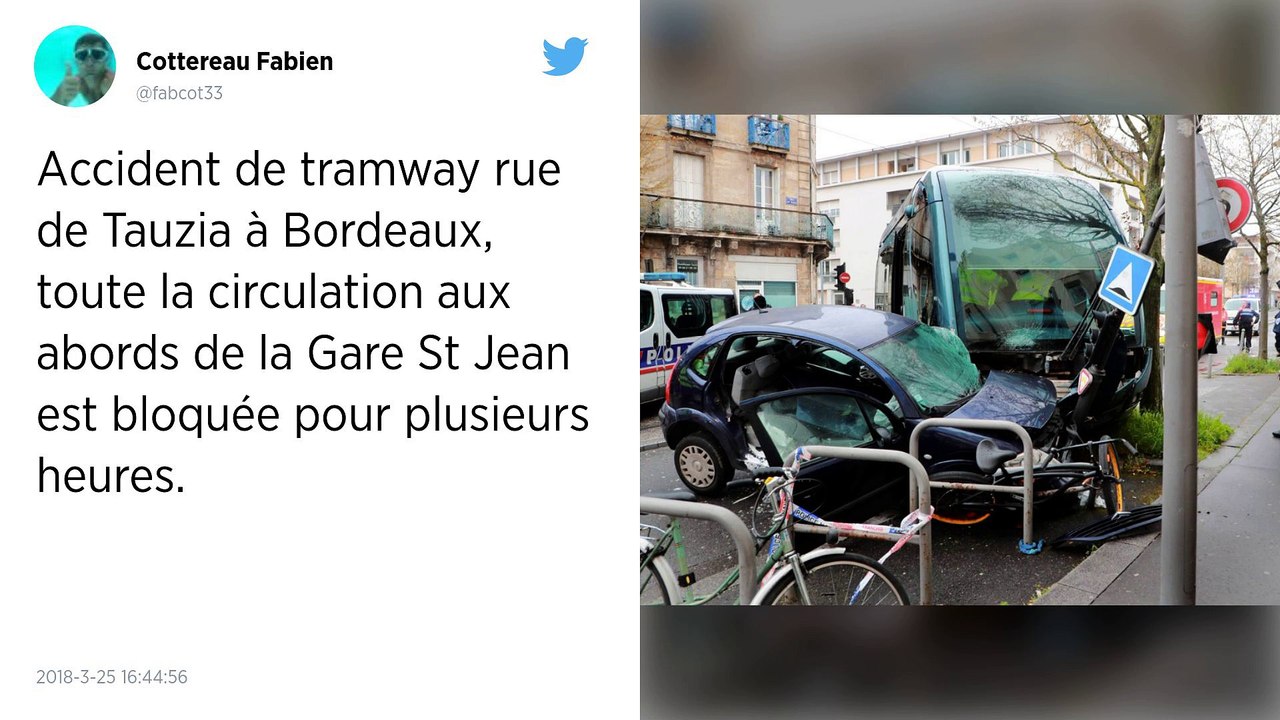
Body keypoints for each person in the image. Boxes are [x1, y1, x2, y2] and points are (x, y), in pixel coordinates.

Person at [50, 33, 114, 106]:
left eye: (97, 55)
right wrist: (59, 95)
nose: (89, 63)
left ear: (106, 60)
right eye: (82, 56)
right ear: (76, 62)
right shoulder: (77, 84)